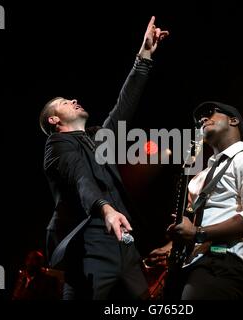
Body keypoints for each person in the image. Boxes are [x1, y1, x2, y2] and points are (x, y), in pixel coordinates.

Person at [39, 17, 168, 300]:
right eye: (64, 103)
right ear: (54, 119)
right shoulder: (57, 145)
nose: (73, 101)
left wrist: (143, 56)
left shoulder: (97, 138)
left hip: (125, 244)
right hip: (91, 244)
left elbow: (123, 108)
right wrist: (105, 209)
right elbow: (80, 177)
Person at [148, 101, 243, 300]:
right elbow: (193, 226)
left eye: (210, 113)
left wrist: (198, 233)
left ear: (233, 120)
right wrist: (169, 248)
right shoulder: (199, 177)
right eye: (199, 119)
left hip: (225, 260)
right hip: (189, 264)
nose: (202, 120)